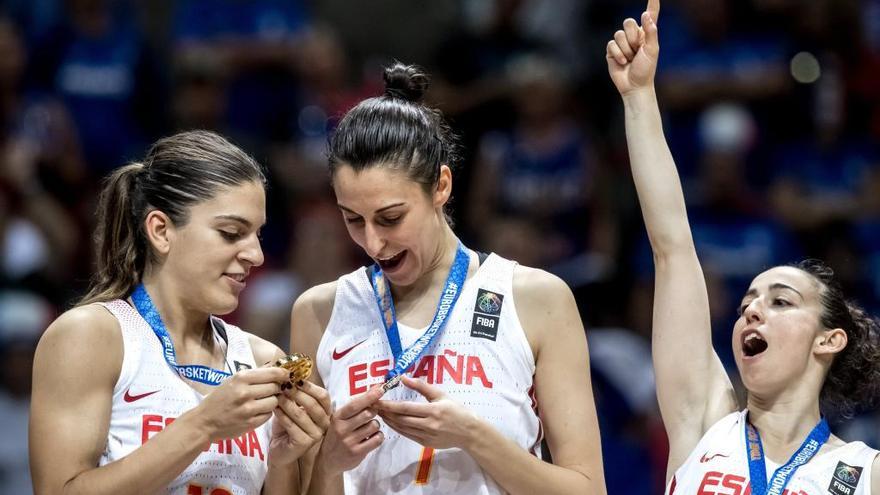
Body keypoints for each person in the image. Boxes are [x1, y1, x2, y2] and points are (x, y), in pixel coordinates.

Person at [289, 63, 606, 494]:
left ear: (440, 186)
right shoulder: (319, 312)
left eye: (391, 218)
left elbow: (587, 489)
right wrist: (329, 463)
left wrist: (474, 437)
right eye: (353, 220)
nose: (373, 243)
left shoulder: (536, 298)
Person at [606, 1, 880, 493]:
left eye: (780, 301)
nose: (752, 312)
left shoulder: (865, 472)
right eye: (748, 302)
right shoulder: (703, 422)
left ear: (829, 338)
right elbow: (672, 245)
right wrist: (639, 97)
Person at [29, 130, 331, 494]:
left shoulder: (262, 358)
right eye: (232, 232)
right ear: (160, 230)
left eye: (257, 235)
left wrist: (286, 460)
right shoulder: (91, 336)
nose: (256, 255)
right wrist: (202, 426)